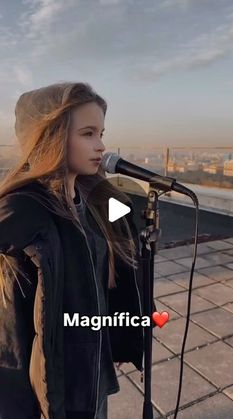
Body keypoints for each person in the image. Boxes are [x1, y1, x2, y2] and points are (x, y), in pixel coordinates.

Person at [0, 82, 156, 419]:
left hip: (95, 370)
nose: (101, 146)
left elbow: (126, 221)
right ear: (51, 137)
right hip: (58, 388)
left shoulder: (95, 199)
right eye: (88, 133)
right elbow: (12, 336)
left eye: (101, 133)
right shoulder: (25, 213)